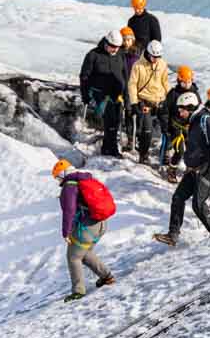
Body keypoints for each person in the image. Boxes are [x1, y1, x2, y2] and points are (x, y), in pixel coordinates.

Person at [153, 91, 210, 246]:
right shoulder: (193, 120)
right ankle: (173, 235)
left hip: (206, 169)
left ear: (191, 107)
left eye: (182, 109)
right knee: (178, 198)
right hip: (193, 170)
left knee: (198, 204)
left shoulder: (205, 120)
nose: (180, 112)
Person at [53, 159, 117, 301]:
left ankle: (78, 291)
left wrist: (66, 232)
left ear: (63, 174)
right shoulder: (85, 179)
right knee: (85, 253)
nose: (57, 181)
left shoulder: (69, 186)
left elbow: (69, 211)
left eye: (57, 177)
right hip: (101, 224)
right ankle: (107, 277)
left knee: (73, 257)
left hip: (87, 227)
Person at [79, 28, 130, 157]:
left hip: (116, 94)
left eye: (117, 47)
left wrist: (127, 97)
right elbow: (84, 76)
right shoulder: (93, 55)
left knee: (116, 121)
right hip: (100, 94)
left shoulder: (120, 55)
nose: (115, 49)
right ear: (106, 43)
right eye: (112, 46)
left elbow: (125, 77)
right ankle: (112, 150)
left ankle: (107, 148)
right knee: (110, 120)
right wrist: (85, 95)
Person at [126, 38, 171, 164]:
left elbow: (165, 82)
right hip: (144, 101)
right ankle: (143, 154)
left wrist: (171, 97)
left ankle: (166, 152)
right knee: (147, 131)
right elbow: (132, 84)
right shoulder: (138, 65)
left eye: (158, 56)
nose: (156, 59)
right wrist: (134, 102)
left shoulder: (162, 64)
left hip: (160, 100)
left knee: (168, 129)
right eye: (153, 56)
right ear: (148, 53)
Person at [160, 65, 200, 176]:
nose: (187, 85)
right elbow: (165, 111)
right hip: (175, 127)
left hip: (189, 127)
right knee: (179, 150)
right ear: (179, 81)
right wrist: (166, 127)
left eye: (189, 82)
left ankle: (190, 168)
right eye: (184, 82)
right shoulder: (173, 94)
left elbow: (198, 108)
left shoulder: (195, 93)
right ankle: (172, 169)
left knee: (192, 149)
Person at [119, 27, 139, 149]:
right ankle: (130, 139)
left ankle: (136, 137)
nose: (127, 42)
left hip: (135, 89)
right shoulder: (119, 55)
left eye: (129, 39)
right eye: (124, 40)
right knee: (128, 114)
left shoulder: (136, 56)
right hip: (123, 89)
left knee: (134, 114)